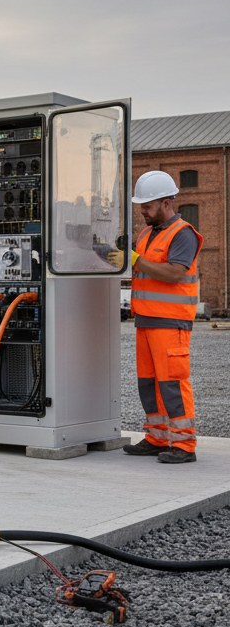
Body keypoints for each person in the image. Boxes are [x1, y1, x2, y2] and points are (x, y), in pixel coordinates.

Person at [120, 171, 203, 463]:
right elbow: (142, 271)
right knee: (149, 383)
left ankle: (184, 444)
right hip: (145, 320)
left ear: (167, 203)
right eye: (141, 205)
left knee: (173, 383)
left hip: (171, 322)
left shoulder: (183, 233)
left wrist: (135, 260)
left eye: (148, 205)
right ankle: (157, 437)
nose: (142, 211)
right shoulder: (146, 234)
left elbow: (174, 273)